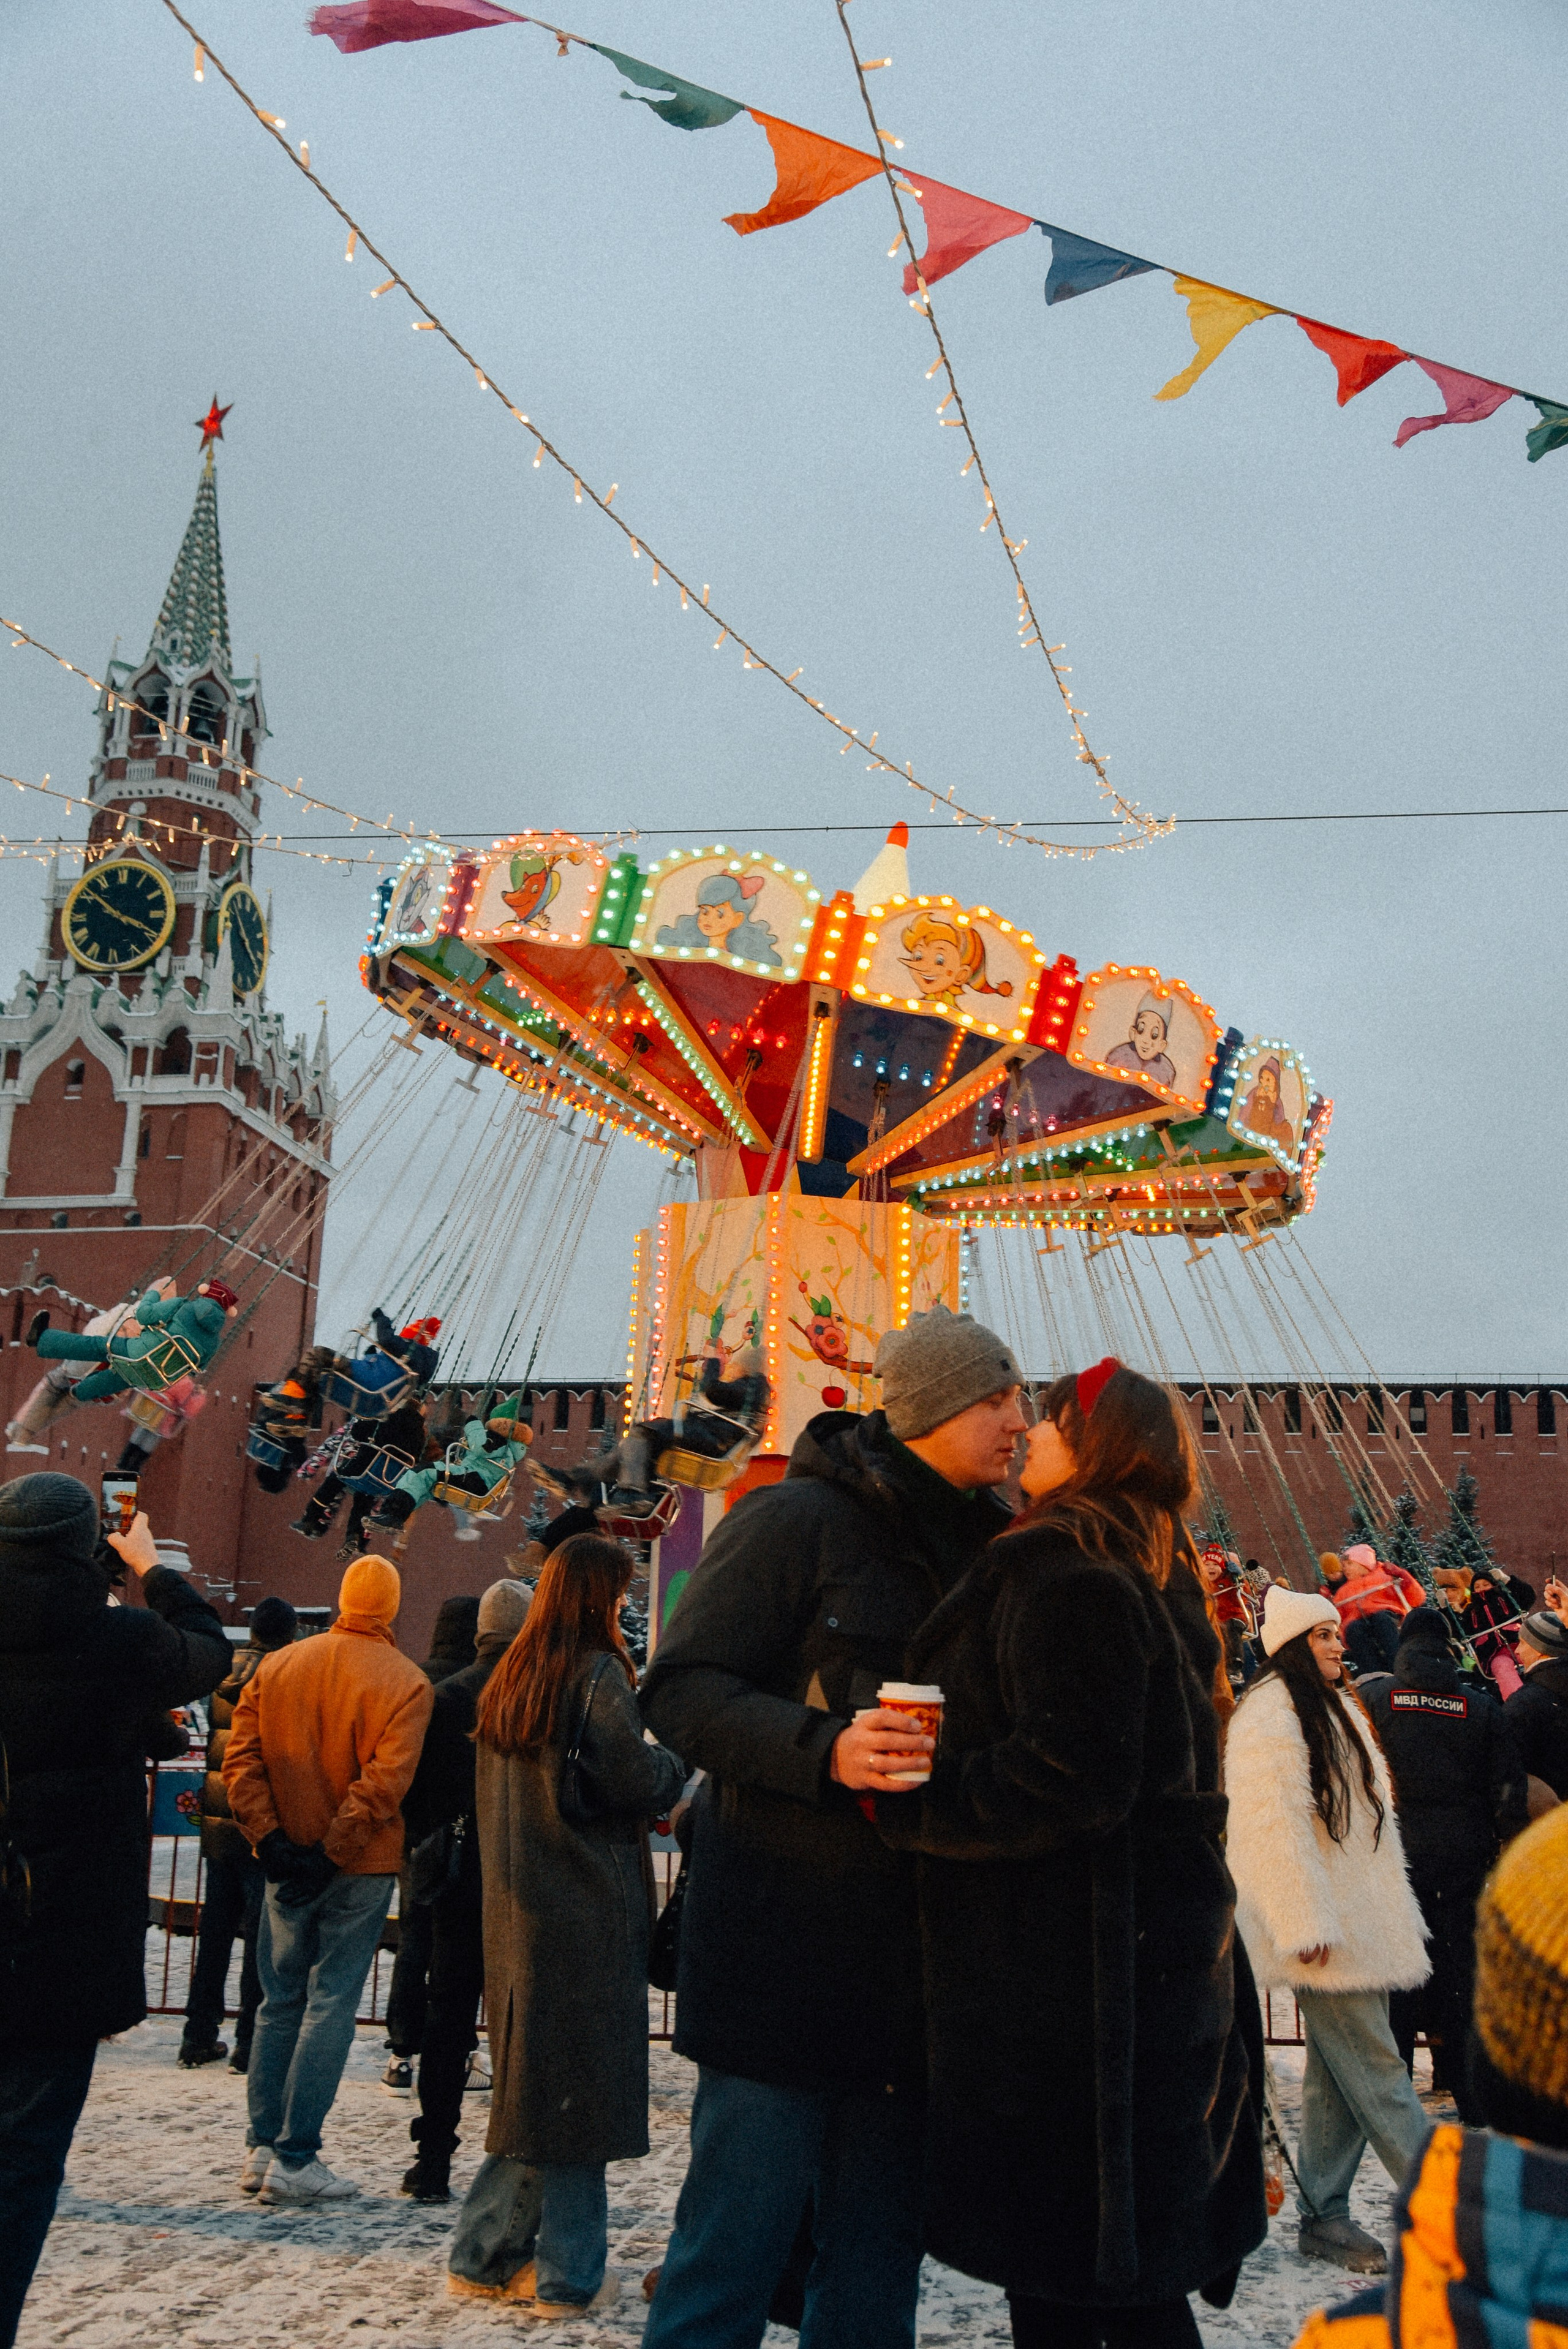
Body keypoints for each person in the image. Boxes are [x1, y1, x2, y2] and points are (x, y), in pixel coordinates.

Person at [639, 1303, 1027, 2349]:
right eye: (996, 1396)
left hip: (919, 1974)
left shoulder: (999, 1548)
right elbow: (679, 1689)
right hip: (785, 1954)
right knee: (735, 2246)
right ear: (935, 1408)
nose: (1018, 1418)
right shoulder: (795, 1522)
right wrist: (824, 1751)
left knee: (874, 2266)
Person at [876, 1358, 1266, 2348]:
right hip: (1145, 1967)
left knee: (1068, 2282)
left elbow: (1070, 1776)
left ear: (1095, 1447)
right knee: (1122, 2285)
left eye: (1050, 1423)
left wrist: (917, 1801)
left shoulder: (1064, 1567)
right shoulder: (1154, 1566)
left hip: (1065, 1988)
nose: (1028, 1438)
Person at [0, 1477, 230, 2349]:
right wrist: (153, 1567)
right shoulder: (117, 1637)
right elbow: (210, 1649)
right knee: (22, 2164)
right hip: (63, 1941)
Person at [445, 1535, 684, 2315]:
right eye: (620, 1592)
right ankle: (569, 2273)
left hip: (517, 1909)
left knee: (536, 2090)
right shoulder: (597, 1673)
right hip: (587, 1909)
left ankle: (482, 2252)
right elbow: (631, 1777)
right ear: (596, 1597)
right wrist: (677, 1765)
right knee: (581, 2097)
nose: (626, 1605)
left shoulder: (512, 1676)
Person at [1293, 1798, 1568, 2345]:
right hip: (1343, 1928)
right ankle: (1322, 2206)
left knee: (1363, 2070)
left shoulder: (1355, 2336)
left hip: (1343, 1927)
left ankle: (1325, 2205)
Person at [1225, 1586, 1431, 2275]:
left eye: (1337, 1633)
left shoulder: (1332, 1707)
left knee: (1338, 2080)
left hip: (1355, 1921)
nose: (1339, 1644)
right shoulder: (1270, 1717)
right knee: (1379, 2072)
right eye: (1322, 1635)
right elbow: (1272, 1830)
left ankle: (1324, 2215)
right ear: (1288, 1646)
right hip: (1323, 1928)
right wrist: (1300, 1919)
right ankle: (1452, 2215)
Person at [222, 1553, 434, 2204]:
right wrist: (332, 1851)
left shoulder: (279, 1665)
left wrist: (273, 1839)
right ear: (392, 1607)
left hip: (283, 1861)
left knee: (278, 1998)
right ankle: (297, 2154)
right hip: (360, 1865)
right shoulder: (407, 1684)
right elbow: (382, 1785)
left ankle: (262, 2146)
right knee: (330, 2003)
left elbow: (242, 1759)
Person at [1360, 1607, 1527, 2119]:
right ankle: (1467, 2089)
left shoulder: (1375, 1700)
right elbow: (1508, 1790)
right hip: (1464, 1852)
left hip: (1396, 1851)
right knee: (1459, 1969)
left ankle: (1395, 2088)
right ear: (1449, 1647)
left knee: (1401, 1969)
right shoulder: (1479, 1708)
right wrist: (1504, 1839)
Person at [398, 1577, 532, 2201]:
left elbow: (415, 1794)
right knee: (523, 2024)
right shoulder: (540, 1695)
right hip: (529, 1882)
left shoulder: (445, 1697)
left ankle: (434, 2154)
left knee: (447, 2019)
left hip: (458, 1879)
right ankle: (516, 2159)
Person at [180, 1595, 300, 2073]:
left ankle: (197, 2035)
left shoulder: (224, 1670)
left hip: (217, 1810)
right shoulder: (286, 1673)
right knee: (260, 1936)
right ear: (290, 1633)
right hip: (259, 1818)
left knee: (214, 1932)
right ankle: (249, 2038)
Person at [382, 1595, 481, 2096]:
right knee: (463, 1951)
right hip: (472, 1834)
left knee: (414, 1940)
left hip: (417, 1833)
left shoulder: (415, 1680)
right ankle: (458, 2049)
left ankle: (401, 2049)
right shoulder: (486, 1687)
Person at [545, 1350, 771, 1518]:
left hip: (714, 1442)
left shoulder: (755, 1385)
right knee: (629, 1447)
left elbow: (712, 1390)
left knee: (643, 1433)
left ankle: (633, 1493)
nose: (733, 1371)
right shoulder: (751, 1391)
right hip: (713, 1438)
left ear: (747, 1367)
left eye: (737, 1367)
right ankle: (574, 1480)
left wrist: (714, 1365)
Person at [28, 1275, 239, 1401]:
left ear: (204, 1294)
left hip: (140, 1354)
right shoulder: (214, 1343)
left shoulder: (181, 1305)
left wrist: (153, 1295)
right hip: (159, 1378)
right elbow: (198, 1367)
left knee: (100, 1346)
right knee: (125, 1376)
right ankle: (79, 1393)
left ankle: (43, 1339)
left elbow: (144, 1316)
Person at [368, 1395, 532, 1550]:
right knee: (426, 1485)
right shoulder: (505, 1446)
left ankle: (393, 1514)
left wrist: (473, 1424)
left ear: (497, 1423)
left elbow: (480, 1448)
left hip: (475, 1480)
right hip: (474, 1479)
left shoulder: (497, 1439)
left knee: (421, 1473)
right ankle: (394, 1515)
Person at [292, 1394, 428, 1553]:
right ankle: (354, 1537)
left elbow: (358, 1433)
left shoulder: (388, 1418)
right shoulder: (420, 1434)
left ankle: (310, 1518)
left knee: (335, 1481)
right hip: (388, 1481)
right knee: (364, 1498)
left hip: (365, 1467)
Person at [1329, 1543, 1425, 1678]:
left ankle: (1399, 1665)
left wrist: (1403, 1578)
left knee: (1382, 1621)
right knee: (1354, 1630)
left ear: (1363, 1564)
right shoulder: (1344, 1591)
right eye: (1344, 1566)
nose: (1345, 1570)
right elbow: (1340, 1617)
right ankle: (1372, 1673)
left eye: (1349, 1564)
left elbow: (1417, 1599)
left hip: (1387, 1614)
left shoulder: (1386, 1577)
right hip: (1358, 1621)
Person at [1504, 1608, 1568, 1798]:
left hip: (1548, 1818)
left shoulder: (1525, 1703)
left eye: (1523, 1643)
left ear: (1541, 1650)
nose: (1517, 1651)